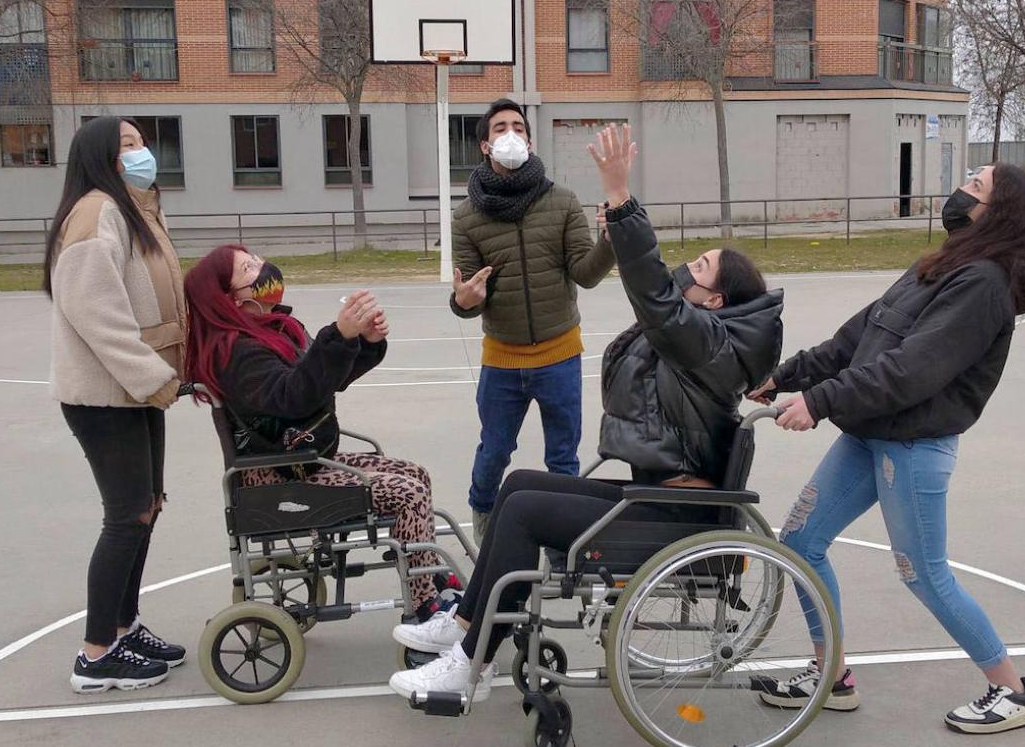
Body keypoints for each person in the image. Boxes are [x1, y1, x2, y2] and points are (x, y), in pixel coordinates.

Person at [389, 124, 784, 702]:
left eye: (698, 268)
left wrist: (620, 197)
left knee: (525, 514)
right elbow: (662, 302)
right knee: (518, 485)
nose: (685, 269)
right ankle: (469, 622)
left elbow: (654, 295)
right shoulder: (711, 338)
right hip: (658, 497)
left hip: (674, 517)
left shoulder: (704, 341)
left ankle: (470, 664)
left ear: (716, 301)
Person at [747, 163, 1025, 734]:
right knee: (800, 542)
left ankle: (1013, 690)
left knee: (923, 573)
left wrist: (820, 403)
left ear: (1000, 212)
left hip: (913, 446)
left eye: (977, 183)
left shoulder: (984, 285)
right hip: (872, 430)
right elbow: (860, 336)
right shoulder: (943, 263)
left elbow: (911, 370)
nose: (961, 187)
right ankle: (832, 677)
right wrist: (788, 376)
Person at [183, 245, 455, 621]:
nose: (263, 268)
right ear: (232, 299)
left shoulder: (273, 329)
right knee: (407, 495)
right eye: (249, 269)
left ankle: (429, 576)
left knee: (415, 474)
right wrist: (338, 336)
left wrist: (363, 344)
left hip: (301, 461)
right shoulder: (236, 351)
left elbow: (323, 381)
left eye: (257, 259)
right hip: (278, 474)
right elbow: (294, 396)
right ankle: (425, 605)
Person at [45, 116, 188, 693]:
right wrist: (155, 376)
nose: (141, 152)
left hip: (138, 390)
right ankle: (96, 652)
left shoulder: (132, 210)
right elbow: (97, 313)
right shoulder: (95, 213)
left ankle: (123, 627)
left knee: (147, 507)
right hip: (107, 396)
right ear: (101, 156)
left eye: (142, 141)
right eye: (127, 144)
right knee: (127, 515)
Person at [449, 98, 617, 543]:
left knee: (563, 460)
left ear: (528, 138)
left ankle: (565, 547)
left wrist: (609, 242)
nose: (511, 134)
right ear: (485, 145)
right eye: (501, 128)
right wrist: (464, 300)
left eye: (518, 127)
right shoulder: (466, 216)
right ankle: (485, 529)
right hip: (501, 361)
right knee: (494, 452)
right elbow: (466, 299)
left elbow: (585, 273)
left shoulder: (561, 201)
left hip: (559, 355)